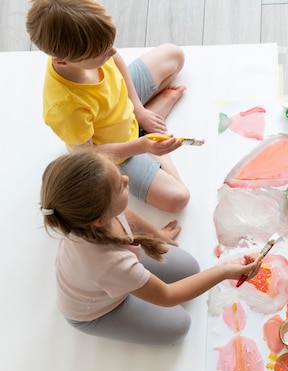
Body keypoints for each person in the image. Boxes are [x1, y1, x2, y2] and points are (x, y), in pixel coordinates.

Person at [39, 151, 262, 346]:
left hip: (115, 270)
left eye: (119, 175)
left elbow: (124, 215)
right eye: (120, 187)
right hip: (97, 311)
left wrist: (157, 234)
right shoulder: (108, 263)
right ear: (100, 218)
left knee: (190, 268)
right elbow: (167, 295)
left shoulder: (91, 220)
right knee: (179, 326)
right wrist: (224, 271)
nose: (126, 179)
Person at [26, 0, 190, 213]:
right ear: (62, 62)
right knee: (179, 198)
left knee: (174, 54)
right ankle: (150, 130)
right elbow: (89, 155)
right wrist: (143, 146)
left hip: (126, 100)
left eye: (110, 44)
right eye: (102, 54)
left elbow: (116, 60)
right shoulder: (66, 107)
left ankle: (147, 120)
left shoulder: (94, 48)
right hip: (119, 152)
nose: (112, 52)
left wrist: (138, 110)